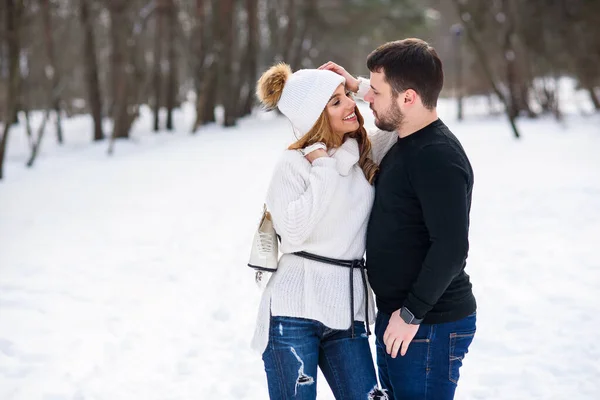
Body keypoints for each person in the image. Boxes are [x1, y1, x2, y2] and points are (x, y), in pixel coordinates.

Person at [320, 38, 477, 400]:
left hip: (428, 323)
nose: (367, 98)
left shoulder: (438, 156)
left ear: (408, 98)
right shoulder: (405, 139)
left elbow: (452, 248)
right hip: (402, 319)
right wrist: (356, 85)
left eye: (375, 92)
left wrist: (410, 315)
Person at [251, 63, 388, 400]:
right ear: (314, 115)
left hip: (348, 311)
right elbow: (294, 232)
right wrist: (323, 168)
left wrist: (358, 84)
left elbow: (410, 116)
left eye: (347, 97)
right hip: (293, 312)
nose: (350, 106)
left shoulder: (364, 151)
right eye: (335, 102)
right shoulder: (293, 164)